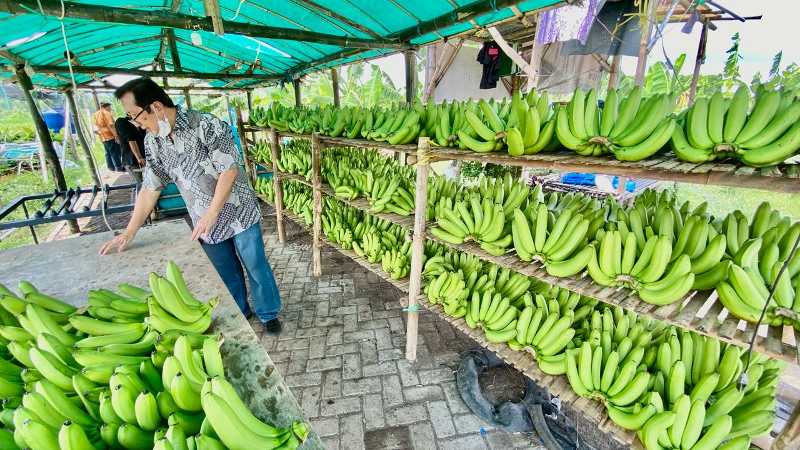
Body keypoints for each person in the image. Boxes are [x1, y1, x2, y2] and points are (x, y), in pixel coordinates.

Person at [98, 77, 282, 334]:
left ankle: (268, 313)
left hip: (238, 210)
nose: (136, 124)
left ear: (157, 107)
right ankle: (241, 311)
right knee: (225, 271)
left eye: (136, 116)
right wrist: (130, 231)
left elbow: (228, 170)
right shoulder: (153, 142)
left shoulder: (206, 124)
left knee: (254, 264)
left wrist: (212, 213)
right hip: (202, 219)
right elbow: (151, 186)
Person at [114, 117, 146, 183]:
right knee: (139, 183)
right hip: (131, 159)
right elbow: (131, 140)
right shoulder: (122, 122)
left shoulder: (140, 123)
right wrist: (139, 158)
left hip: (143, 157)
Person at [93, 101, 122, 172]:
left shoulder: (95, 114)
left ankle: (111, 167)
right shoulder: (106, 113)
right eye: (110, 107)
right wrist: (116, 135)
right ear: (107, 106)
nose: (110, 109)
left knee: (108, 152)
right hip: (110, 135)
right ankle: (118, 167)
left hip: (102, 137)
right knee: (115, 152)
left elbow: (95, 125)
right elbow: (111, 125)